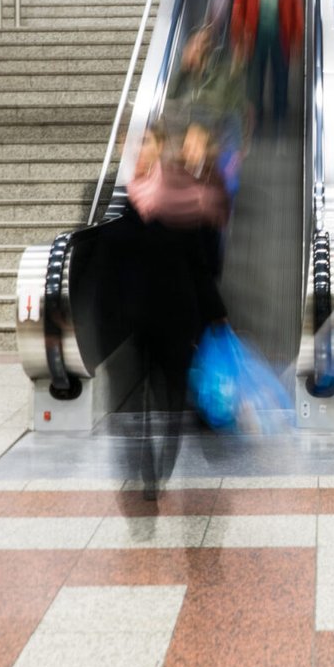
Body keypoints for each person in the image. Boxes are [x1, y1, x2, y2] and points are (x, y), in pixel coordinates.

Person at [126, 122, 230, 500]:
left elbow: (198, 263)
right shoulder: (120, 199)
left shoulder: (178, 196)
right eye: (134, 145)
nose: (139, 152)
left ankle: (161, 465)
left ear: (160, 148)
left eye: (146, 144)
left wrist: (215, 314)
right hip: (135, 319)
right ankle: (145, 469)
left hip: (176, 316)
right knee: (139, 398)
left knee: (169, 398)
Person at [230, 0, 303, 133]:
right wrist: (237, 40)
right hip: (255, 35)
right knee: (256, 77)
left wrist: (297, 37)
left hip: (281, 34)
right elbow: (238, 6)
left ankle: (280, 115)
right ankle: (258, 116)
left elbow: (296, 6)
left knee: (281, 76)